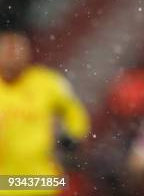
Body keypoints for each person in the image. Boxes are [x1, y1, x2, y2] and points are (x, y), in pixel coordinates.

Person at [0, 30, 90, 195]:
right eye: (7, 51)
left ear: (28, 53)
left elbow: (74, 110)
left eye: (17, 51)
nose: (12, 57)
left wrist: (73, 135)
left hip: (41, 175)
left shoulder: (47, 82)